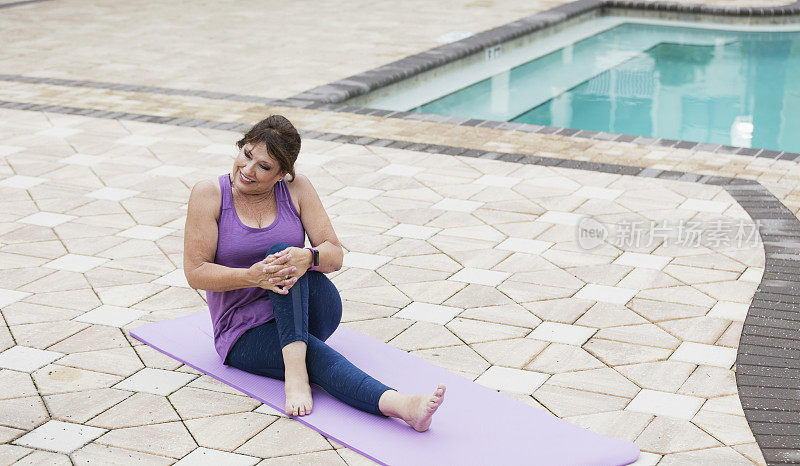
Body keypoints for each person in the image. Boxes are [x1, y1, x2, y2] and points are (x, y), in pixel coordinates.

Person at [183, 115, 445, 431]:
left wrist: (308, 256)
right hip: (243, 330)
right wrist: (254, 276)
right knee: (314, 355)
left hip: (308, 309)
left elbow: (334, 255)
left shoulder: (298, 189)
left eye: (264, 167)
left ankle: (296, 361)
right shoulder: (210, 194)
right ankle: (401, 405)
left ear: (283, 174)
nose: (248, 170)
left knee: (283, 254)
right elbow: (196, 272)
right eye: (247, 154)